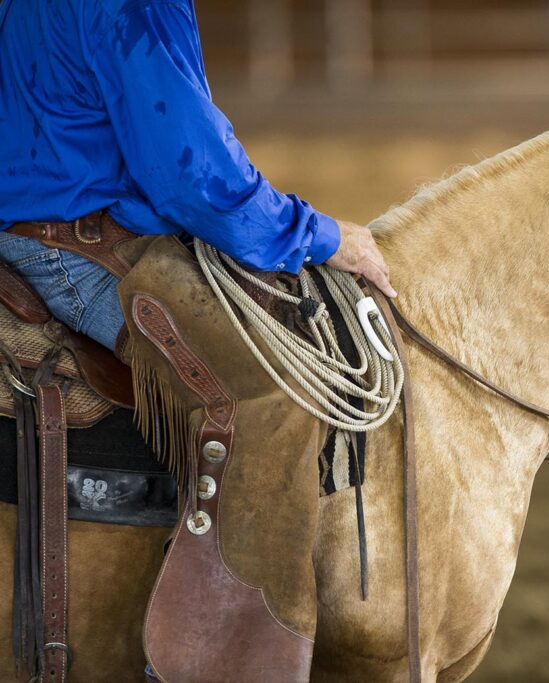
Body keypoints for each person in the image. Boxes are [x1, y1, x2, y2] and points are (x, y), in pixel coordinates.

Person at [0, 1, 396, 679]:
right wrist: (323, 234)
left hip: (27, 226)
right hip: (81, 248)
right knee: (276, 392)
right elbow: (191, 174)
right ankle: (215, 662)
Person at [0, 0, 397, 354]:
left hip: (20, 234)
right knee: (275, 377)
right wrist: (314, 235)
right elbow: (192, 176)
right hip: (74, 254)